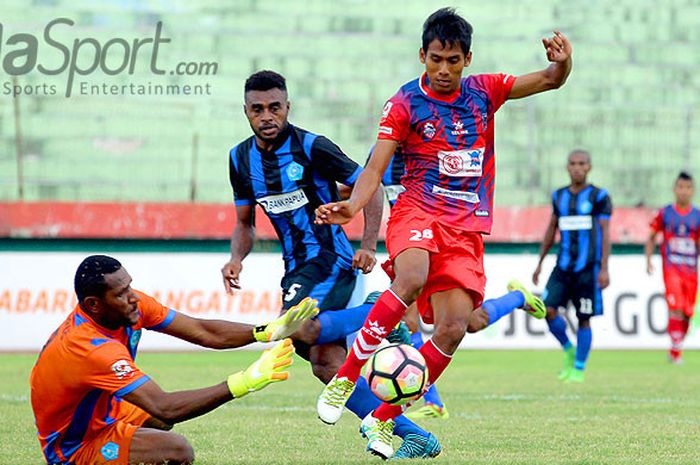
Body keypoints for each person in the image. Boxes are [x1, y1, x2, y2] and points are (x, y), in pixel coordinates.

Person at [315, 8, 572, 459]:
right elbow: (375, 166)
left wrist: (563, 62)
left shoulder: (486, 91)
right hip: (417, 209)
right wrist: (353, 206)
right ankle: (343, 380)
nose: (444, 69)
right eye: (436, 59)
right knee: (410, 277)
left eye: (453, 60)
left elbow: (551, 79)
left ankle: (382, 419)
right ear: (422, 55)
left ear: (467, 59)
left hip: (465, 226)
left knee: (453, 328)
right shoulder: (403, 103)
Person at [223, 71, 437, 458]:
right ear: (246, 112)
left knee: (297, 327)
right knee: (326, 364)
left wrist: (368, 244)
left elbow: (367, 187)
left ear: (288, 108)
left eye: (275, 107)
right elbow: (243, 223)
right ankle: (413, 435)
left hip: (330, 259)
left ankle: (376, 311)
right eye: (258, 109)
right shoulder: (240, 160)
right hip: (296, 268)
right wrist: (236, 258)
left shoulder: (312, 147)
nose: (267, 116)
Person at [30, 255, 317, 465]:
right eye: (121, 293)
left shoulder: (130, 306)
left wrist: (265, 332)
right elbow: (166, 407)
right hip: (73, 445)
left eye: (130, 287)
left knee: (154, 420)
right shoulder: (90, 348)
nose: (133, 298)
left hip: (106, 412)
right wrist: (244, 382)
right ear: (94, 304)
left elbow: (202, 331)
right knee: (177, 451)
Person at [363, 146, 546, 420]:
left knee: (472, 322)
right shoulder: (380, 153)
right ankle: (433, 402)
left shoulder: (437, 145)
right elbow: (364, 185)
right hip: (410, 247)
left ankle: (518, 298)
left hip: (446, 246)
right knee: (409, 323)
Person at [532, 150, 612, 383]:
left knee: (584, 318)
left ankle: (578, 368)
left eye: (582, 163)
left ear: (589, 167)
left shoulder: (599, 196)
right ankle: (568, 349)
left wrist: (604, 268)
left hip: (588, 269)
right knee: (546, 310)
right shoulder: (559, 197)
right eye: (573, 164)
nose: (577, 167)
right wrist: (539, 263)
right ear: (567, 167)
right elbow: (551, 230)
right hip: (562, 266)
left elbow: (606, 233)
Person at [645, 172, 700, 364]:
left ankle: (676, 347)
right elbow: (651, 236)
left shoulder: (697, 216)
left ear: (692, 190)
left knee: (687, 312)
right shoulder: (665, 213)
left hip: (692, 273)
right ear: (674, 189)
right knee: (675, 308)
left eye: (687, 188)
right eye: (680, 187)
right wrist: (648, 259)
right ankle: (676, 353)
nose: (683, 191)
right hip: (672, 269)